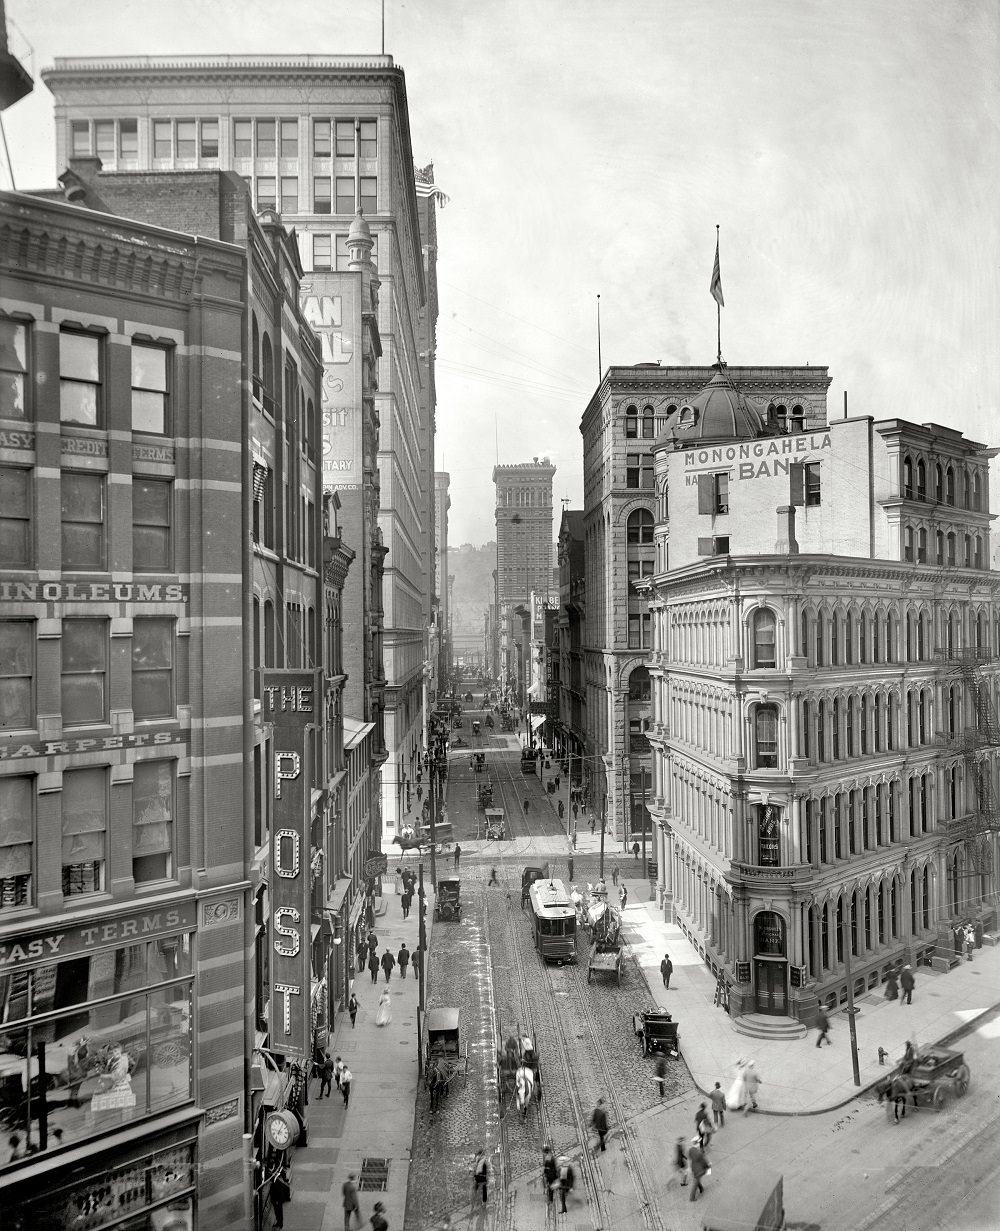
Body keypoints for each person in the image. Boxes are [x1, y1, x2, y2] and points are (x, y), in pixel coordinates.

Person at [269, 1164, 291, 1229]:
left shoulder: (276, 1181)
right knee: (278, 1210)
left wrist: (276, 1200)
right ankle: (279, 1222)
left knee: (278, 1210)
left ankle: (279, 1223)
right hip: (277, 1197)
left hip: (277, 1198)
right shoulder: (279, 1175)